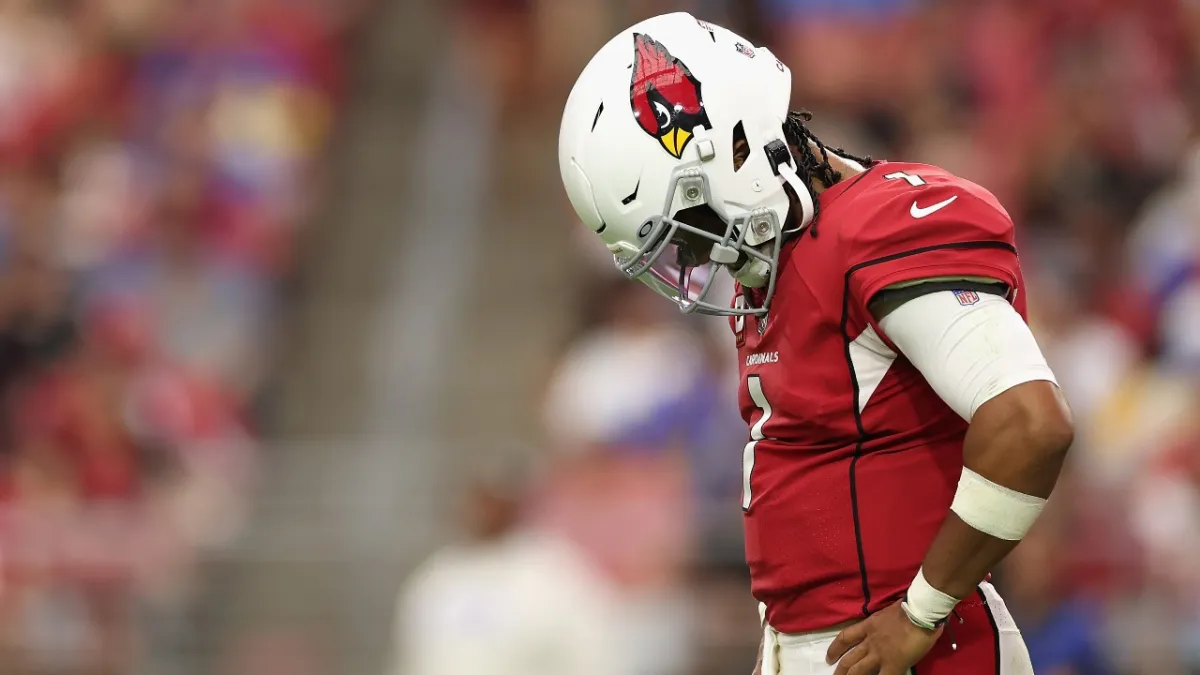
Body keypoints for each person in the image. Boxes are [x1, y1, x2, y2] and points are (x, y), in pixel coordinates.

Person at [557, 12, 1074, 675]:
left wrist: (920, 610)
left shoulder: (884, 226)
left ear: (737, 147)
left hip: (913, 648)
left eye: (690, 222)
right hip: (820, 644)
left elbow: (1030, 424)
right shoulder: (777, 261)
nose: (695, 253)